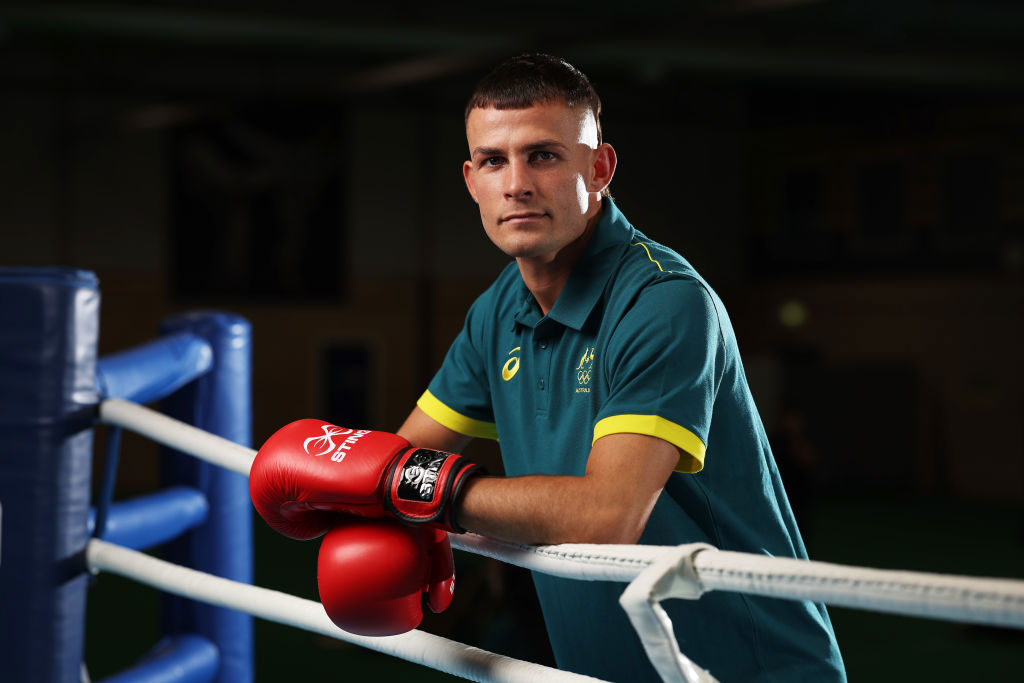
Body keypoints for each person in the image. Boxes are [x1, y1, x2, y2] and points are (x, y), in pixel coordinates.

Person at [249, 52, 847, 682]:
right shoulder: (497, 311)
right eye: (493, 161)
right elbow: (401, 459)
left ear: (601, 167)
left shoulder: (664, 300)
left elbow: (607, 516)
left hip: (743, 669)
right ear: (471, 181)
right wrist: (361, 492)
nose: (517, 184)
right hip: (602, 667)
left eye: (544, 155)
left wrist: (430, 489)